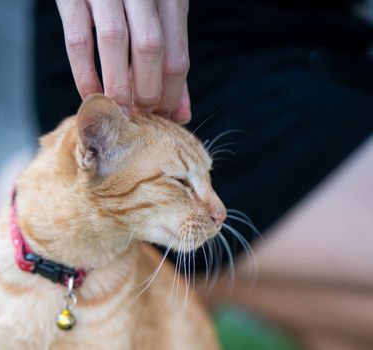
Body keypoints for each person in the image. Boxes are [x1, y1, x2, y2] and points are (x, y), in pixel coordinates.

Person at [34, 1, 373, 348]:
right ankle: (79, 228)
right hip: (162, 60)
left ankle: (159, 277)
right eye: (181, 183)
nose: (221, 213)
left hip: (329, 53)